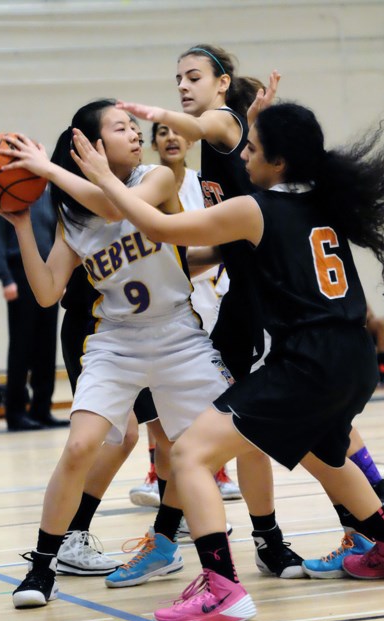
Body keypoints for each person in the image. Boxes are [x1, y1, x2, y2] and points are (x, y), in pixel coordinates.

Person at [72, 99, 384, 621]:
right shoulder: (323, 202)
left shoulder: (255, 207)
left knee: (190, 452)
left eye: (253, 150)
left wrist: (104, 177)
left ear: (277, 163)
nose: (245, 159)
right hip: (354, 358)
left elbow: (162, 228)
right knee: (325, 453)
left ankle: (221, 588)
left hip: (308, 361)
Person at [0, 99, 233, 609]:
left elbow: (112, 204)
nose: (135, 134)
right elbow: (45, 292)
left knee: (214, 443)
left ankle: (193, 544)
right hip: (116, 339)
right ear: (92, 144)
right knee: (82, 446)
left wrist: (47, 168)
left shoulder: (159, 178)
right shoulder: (73, 215)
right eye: (121, 127)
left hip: (177, 333)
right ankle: (42, 568)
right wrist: (20, 224)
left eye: (133, 126)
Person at [117, 45, 308, 582]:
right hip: (239, 308)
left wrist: (159, 117)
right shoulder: (211, 156)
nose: (182, 84)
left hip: (268, 309)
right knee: (202, 433)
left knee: (269, 435)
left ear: (222, 84)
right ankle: (182, 539)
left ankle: (354, 524)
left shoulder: (221, 123)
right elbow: (227, 247)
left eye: (193, 76)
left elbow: (200, 125)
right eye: (176, 77)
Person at [129, 121, 241, 508]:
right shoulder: (143, 185)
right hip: (164, 300)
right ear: (154, 143)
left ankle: (218, 469)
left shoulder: (201, 183)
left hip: (209, 292)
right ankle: (157, 472)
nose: (171, 138)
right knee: (159, 395)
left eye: (176, 132)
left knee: (211, 390)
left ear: (190, 139)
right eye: (161, 133)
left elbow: (217, 239)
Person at [0, 187, 70, 431]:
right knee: (21, 348)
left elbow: (58, 235)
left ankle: (42, 410)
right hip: (19, 278)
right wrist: (5, 278)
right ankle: (15, 413)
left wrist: (59, 278)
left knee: (46, 347)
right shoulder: (4, 192)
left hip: (47, 275)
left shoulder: (48, 194)